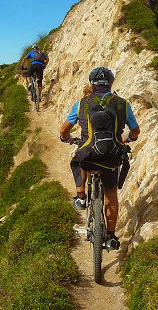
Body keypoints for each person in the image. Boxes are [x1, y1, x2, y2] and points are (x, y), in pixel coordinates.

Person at [59, 66, 140, 250]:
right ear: (111, 84)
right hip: (112, 156)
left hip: (89, 155)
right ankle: (111, 237)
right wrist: (128, 138)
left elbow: (64, 130)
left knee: (80, 155)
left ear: (91, 84)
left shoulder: (82, 103)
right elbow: (135, 131)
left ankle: (81, 197)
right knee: (111, 194)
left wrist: (66, 139)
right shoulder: (122, 104)